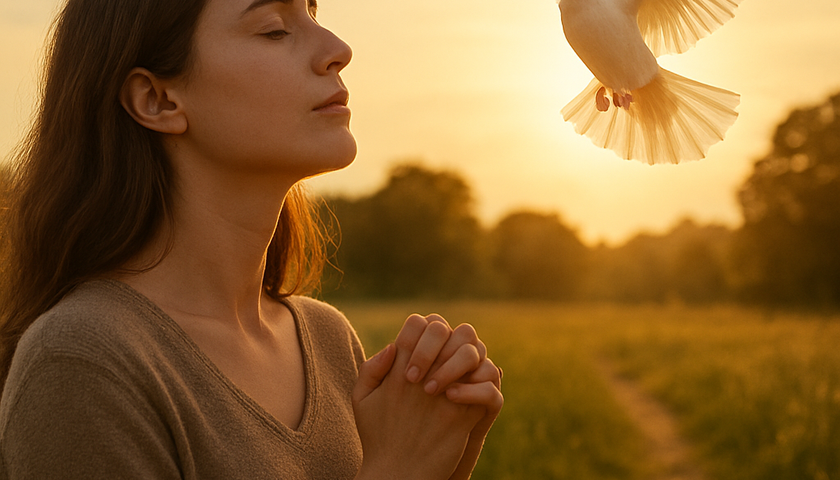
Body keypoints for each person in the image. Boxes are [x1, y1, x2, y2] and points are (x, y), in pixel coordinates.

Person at [0, 0, 503, 478]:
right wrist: (400, 470)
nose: (338, 48)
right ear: (157, 99)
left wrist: (442, 454)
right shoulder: (83, 361)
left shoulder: (328, 339)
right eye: (275, 29)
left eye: (312, 11)